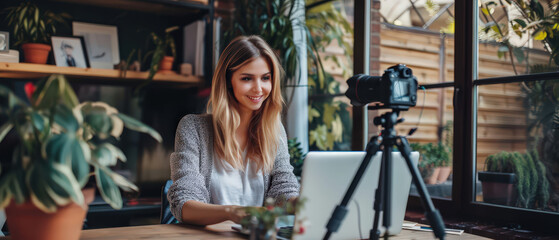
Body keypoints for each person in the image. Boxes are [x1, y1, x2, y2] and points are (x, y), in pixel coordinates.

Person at [167, 35, 300, 225]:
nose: (258, 88)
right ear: (229, 81)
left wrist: (300, 202)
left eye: (265, 78)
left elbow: (283, 189)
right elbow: (184, 203)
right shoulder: (193, 128)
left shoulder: (274, 130)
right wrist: (232, 212)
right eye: (247, 78)